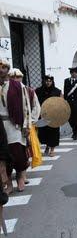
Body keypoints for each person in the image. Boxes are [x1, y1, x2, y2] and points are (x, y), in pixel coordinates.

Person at [0, 59, 31, 193]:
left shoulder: (18, 86)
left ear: (7, 69)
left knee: (17, 154)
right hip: (0, 125)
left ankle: (20, 177)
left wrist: (27, 125)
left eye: (3, 67)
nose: (1, 69)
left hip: (15, 125)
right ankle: (9, 184)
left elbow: (26, 107)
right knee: (3, 157)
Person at [35, 75, 62, 157]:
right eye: (47, 81)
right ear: (44, 81)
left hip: (53, 116)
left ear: (52, 82)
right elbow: (35, 102)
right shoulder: (38, 91)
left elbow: (61, 103)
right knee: (44, 133)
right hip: (42, 115)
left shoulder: (57, 91)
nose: (48, 82)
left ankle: (52, 150)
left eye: (50, 81)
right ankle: (47, 145)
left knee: (53, 132)